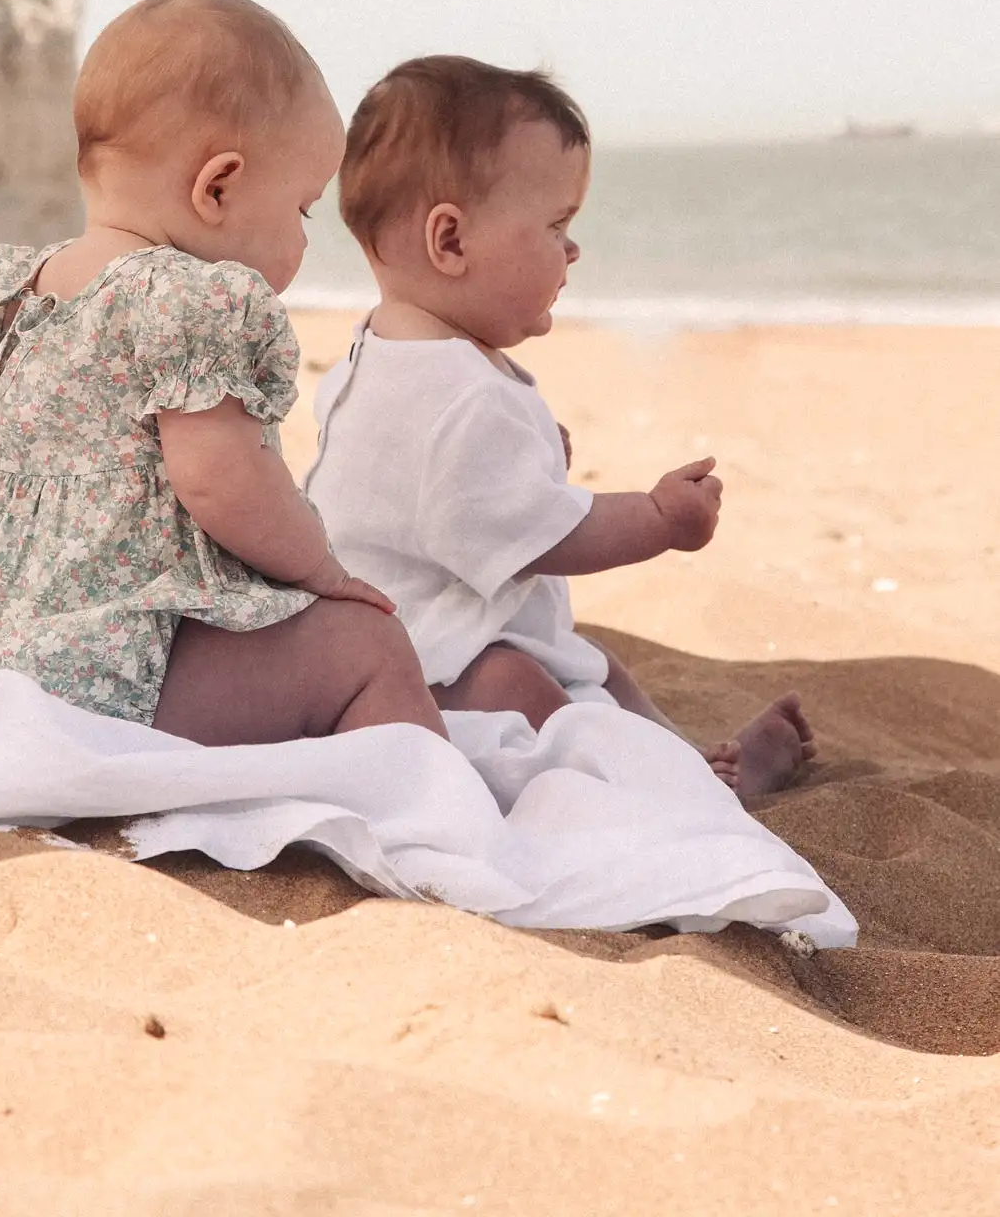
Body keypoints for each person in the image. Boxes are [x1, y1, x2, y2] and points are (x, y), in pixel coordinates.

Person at [0, 0, 447, 747]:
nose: (303, 235)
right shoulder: (190, 304)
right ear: (217, 187)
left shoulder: (16, 287)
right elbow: (220, 482)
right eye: (301, 207)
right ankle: (426, 801)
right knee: (371, 649)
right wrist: (320, 571)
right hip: (99, 669)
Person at [304, 54, 815, 799]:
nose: (572, 249)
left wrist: (530, 459)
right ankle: (689, 792)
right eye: (555, 225)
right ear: (449, 242)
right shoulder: (463, 398)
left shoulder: (374, 352)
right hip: (436, 662)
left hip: (369, 644)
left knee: (597, 666)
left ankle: (683, 763)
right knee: (527, 683)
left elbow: (421, 490)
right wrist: (657, 519)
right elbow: (551, 536)